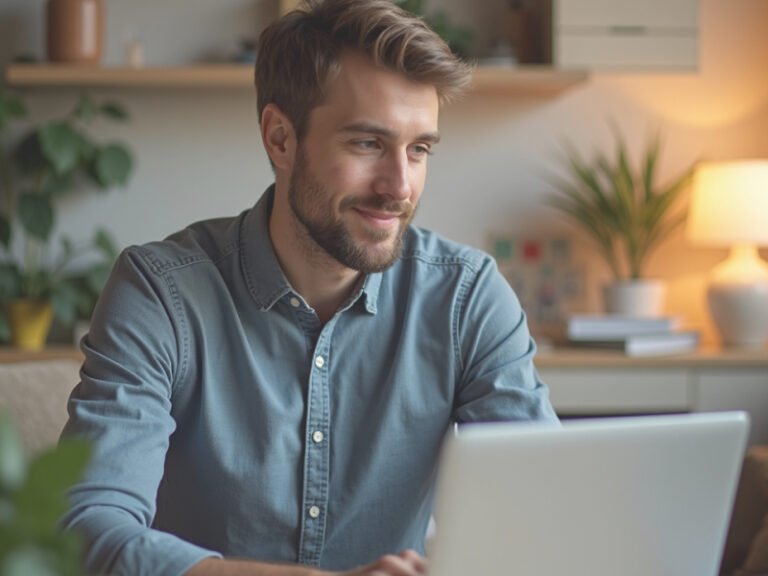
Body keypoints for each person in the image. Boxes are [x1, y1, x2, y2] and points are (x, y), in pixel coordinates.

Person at [61, 0, 559, 575]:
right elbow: (88, 532)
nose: (399, 186)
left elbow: (542, 514)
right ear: (280, 138)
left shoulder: (466, 297)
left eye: (419, 148)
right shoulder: (160, 293)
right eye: (367, 144)